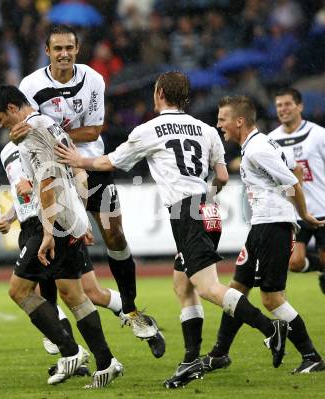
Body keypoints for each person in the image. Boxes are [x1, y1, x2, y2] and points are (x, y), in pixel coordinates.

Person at [55, 71, 296, 388]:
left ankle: (269, 329)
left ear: (159, 94)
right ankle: (191, 360)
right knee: (183, 286)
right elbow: (222, 176)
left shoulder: (149, 130)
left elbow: (110, 162)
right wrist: (205, 195)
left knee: (207, 287)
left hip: (186, 212)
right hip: (208, 209)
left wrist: (77, 159)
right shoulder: (206, 129)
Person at [9, 24, 164, 356]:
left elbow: (94, 129)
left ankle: (132, 308)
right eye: (58, 49)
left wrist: (53, 136)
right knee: (54, 247)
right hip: (56, 176)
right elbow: (27, 132)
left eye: (69, 48)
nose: (64, 53)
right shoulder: (31, 85)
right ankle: (61, 337)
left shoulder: (93, 79)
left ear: (77, 50)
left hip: (92, 166)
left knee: (115, 235)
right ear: (47, 52)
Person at [0, 84, 123, 388]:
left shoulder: (31, 132)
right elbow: (78, 173)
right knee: (74, 294)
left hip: (52, 221)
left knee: (19, 291)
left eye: (0, 119)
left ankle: (70, 351)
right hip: (69, 217)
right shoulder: (51, 125)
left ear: (11, 109)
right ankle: (106, 362)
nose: (1, 126)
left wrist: (48, 232)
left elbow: (47, 181)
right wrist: (81, 217)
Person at [202, 95, 325, 375]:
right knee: (236, 290)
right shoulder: (258, 145)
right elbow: (291, 169)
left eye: (223, 119)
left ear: (239, 121)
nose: (219, 124)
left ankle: (312, 356)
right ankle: (220, 353)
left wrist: (303, 215)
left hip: (273, 226)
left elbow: (292, 181)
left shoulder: (258, 149)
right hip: (262, 226)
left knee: (272, 298)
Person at [268, 88, 325, 333]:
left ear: (300, 107)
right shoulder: (271, 139)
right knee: (294, 262)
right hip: (295, 214)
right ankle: (322, 269)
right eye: (279, 105)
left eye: (287, 104)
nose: (282, 109)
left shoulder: (319, 134)